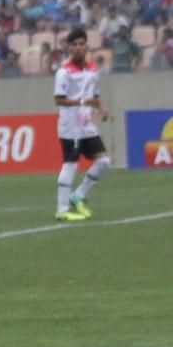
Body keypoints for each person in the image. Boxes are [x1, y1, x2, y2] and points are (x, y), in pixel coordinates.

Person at [52, 29, 112, 222]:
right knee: (70, 165)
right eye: (74, 44)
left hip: (86, 125)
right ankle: (61, 210)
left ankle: (77, 195)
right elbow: (59, 100)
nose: (78, 47)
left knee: (103, 161)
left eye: (81, 43)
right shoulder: (64, 72)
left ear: (87, 46)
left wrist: (101, 109)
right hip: (70, 127)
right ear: (69, 48)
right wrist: (83, 102)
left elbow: (94, 95)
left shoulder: (93, 68)